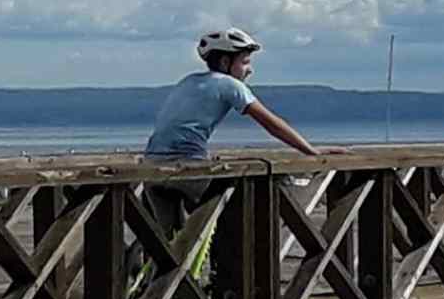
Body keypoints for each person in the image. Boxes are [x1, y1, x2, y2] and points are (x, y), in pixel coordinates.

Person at [143, 27, 348, 239]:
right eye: (245, 62)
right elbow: (273, 124)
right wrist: (310, 151)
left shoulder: (189, 81)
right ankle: (226, 266)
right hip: (187, 170)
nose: (250, 70)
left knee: (170, 246)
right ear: (225, 62)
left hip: (151, 169)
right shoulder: (230, 85)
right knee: (246, 211)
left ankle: (168, 269)